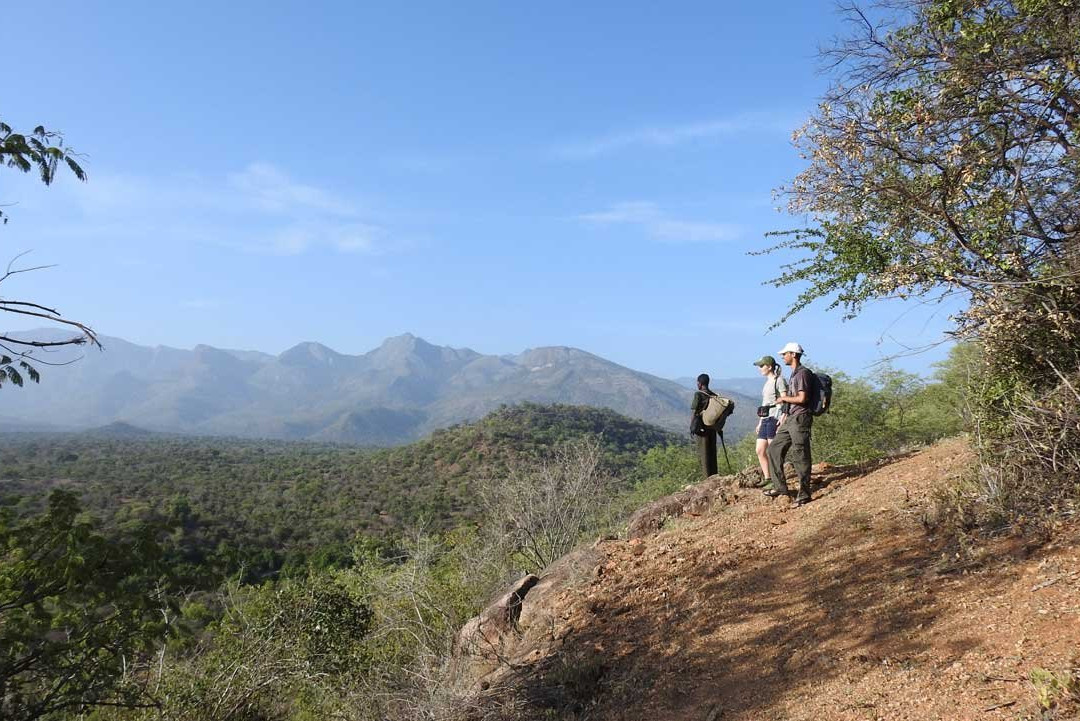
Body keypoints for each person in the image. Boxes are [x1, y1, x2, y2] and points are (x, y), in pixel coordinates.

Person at [765, 342, 817, 506]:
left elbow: (802, 399)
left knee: (800, 455)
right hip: (791, 419)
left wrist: (783, 398)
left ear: (793, 354)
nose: (782, 357)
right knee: (773, 449)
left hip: (800, 419)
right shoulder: (795, 373)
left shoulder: (802, 374)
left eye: (785, 354)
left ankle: (804, 494)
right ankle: (780, 488)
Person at [752, 355, 787, 487]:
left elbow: (785, 399)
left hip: (775, 417)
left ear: (769, 366)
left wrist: (783, 417)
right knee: (760, 450)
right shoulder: (767, 382)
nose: (760, 368)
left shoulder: (779, 380)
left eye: (762, 366)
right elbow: (765, 403)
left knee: (773, 450)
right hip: (766, 418)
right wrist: (760, 422)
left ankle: (777, 479)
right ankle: (768, 478)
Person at [690, 373, 718, 478]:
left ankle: (707, 478)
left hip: (701, 428)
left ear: (700, 383)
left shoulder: (698, 394)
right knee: (712, 453)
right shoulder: (713, 395)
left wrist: (692, 426)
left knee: (703, 454)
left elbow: (694, 411)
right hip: (712, 428)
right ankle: (715, 475)